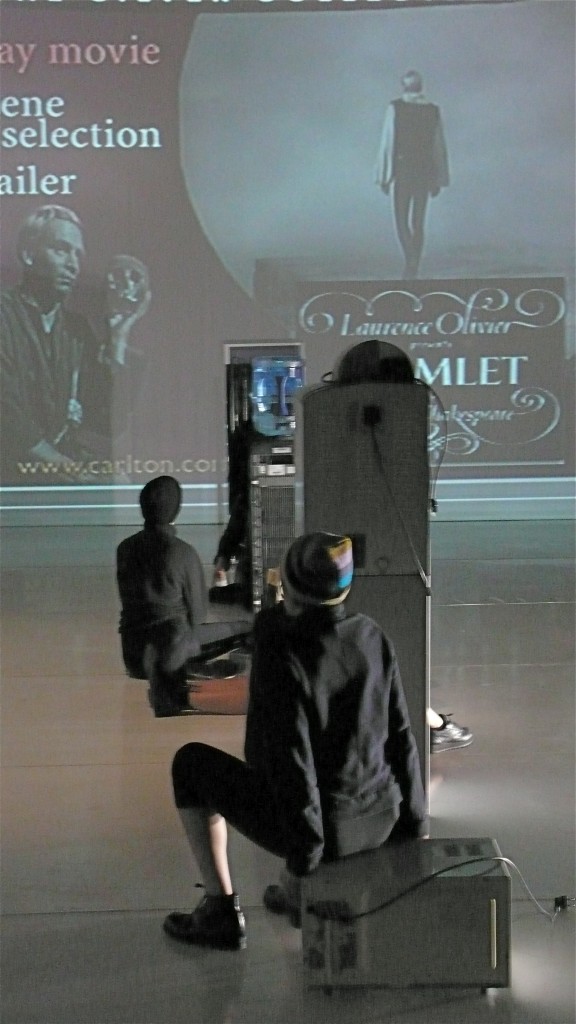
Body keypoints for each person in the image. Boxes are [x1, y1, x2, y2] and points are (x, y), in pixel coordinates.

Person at [162, 532, 427, 950]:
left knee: (189, 765)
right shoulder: (372, 635)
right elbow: (400, 735)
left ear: (288, 584)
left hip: (328, 833)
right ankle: (292, 892)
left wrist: (304, 862)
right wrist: (415, 825)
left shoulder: (283, 652)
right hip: (383, 817)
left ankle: (220, 912)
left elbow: (292, 759)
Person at [0, 204, 149, 483]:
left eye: (78, 254)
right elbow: (5, 410)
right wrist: (60, 463)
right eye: (61, 250)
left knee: (123, 483)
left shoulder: (76, 330)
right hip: (9, 476)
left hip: (56, 471)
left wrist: (118, 339)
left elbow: (105, 423)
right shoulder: (3, 315)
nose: (73, 264)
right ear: (28, 255)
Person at [116, 475, 252, 717]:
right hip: (171, 653)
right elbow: (198, 616)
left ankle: (188, 672)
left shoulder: (124, 549)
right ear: (175, 508)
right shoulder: (184, 553)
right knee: (249, 628)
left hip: (133, 654)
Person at [375, 70, 449, 279]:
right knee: (418, 220)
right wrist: (438, 179)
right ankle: (414, 259)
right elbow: (438, 147)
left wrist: (384, 177)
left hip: (404, 170)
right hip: (424, 171)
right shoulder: (432, 111)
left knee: (401, 218)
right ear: (420, 87)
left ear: (404, 87)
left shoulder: (395, 108)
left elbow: (388, 142)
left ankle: (411, 258)